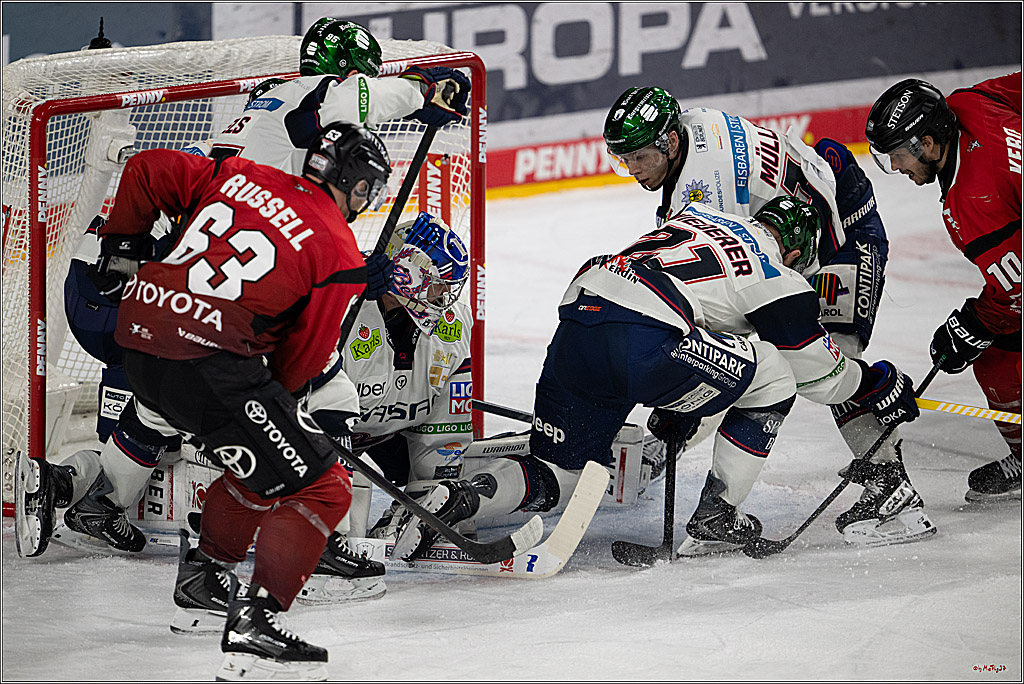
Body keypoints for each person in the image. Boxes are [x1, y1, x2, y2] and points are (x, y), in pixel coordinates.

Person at [38, 15, 472, 558]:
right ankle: (322, 537)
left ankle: (97, 496)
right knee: (325, 389)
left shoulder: (267, 121)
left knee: (164, 397)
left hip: (138, 281)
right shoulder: (315, 103)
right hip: (156, 283)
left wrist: (123, 250)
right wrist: (422, 91)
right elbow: (353, 102)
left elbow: (158, 177)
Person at [20, 120, 390, 680]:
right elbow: (302, 363)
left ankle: (204, 584)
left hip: (136, 339)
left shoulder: (245, 174)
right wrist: (272, 411)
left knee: (257, 467)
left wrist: (123, 251)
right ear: (358, 186)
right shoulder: (338, 249)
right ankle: (255, 631)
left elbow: (145, 168)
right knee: (324, 485)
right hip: (206, 363)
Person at [392, 197, 922, 560]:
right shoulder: (775, 272)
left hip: (580, 317)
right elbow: (820, 377)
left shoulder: (698, 216)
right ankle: (718, 515)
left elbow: (705, 325)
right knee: (775, 376)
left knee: (563, 470)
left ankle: (464, 497)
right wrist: (875, 383)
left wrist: (683, 400)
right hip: (645, 336)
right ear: (798, 253)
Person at [599, 86, 934, 546]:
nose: (634, 170)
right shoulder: (686, 130)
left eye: (639, 157)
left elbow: (725, 305)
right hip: (795, 225)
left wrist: (681, 400)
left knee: (828, 360)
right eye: (624, 160)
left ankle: (892, 488)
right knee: (761, 361)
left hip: (839, 230)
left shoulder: (706, 191)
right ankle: (708, 492)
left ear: (670, 142)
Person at [295, 210, 473, 605]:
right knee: (345, 486)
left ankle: (412, 507)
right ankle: (323, 546)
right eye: (437, 286)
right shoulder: (340, 303)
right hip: (320, 434)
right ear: (409, 273)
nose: (444, 299)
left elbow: (450, 416)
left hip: (388, 430)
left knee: (462, 478)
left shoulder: (453, 322)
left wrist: (434, 490)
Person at [865, 73, 1022, 501]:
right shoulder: (971, 102)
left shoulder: (972, 203)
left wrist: (974, 325)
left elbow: (1016, 294)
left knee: (996, 360)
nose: (896, 168)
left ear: (930, 144)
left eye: (899, 156)